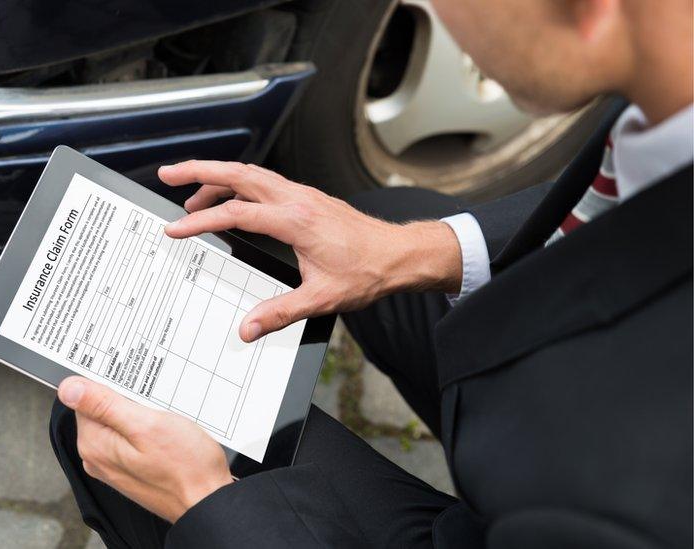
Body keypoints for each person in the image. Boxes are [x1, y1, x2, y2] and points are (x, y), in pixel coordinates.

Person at [50, 0, 693, 546]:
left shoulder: (635, 498)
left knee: (108, 425)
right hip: (553, 377)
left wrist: (207, 503)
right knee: (392, 216)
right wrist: (415, 252)